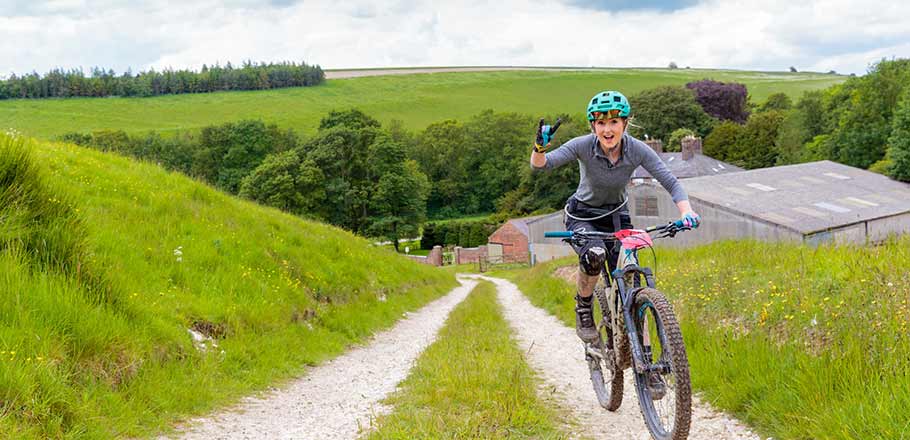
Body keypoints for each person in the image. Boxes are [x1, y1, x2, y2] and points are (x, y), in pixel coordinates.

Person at [530, 90, 700, 344]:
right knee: (595, 254)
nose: (607, 130)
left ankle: (647, 360)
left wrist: (686, 211)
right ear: (593, 126)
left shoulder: (638, 150)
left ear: (625, 123)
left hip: (617, 216)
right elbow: (541, 164)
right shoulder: (582, 146)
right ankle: (584, 308)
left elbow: (671, 182)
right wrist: (540, 148)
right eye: (600, 123)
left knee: (630, 278)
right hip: (583, 215)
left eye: (613, 122)